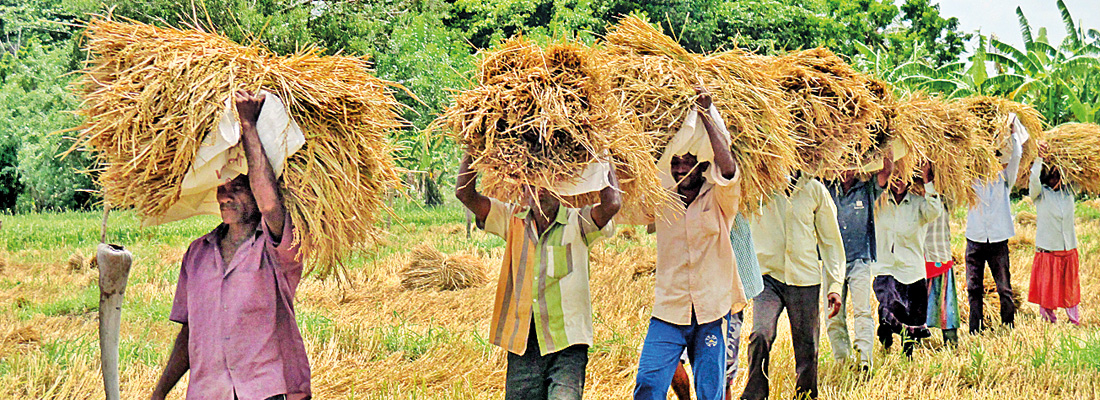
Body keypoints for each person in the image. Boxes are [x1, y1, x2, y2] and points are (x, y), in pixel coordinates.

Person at [152, 90, 311, 400]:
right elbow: (189, 333)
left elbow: (269, 205)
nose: (225, 196)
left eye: (237, 187)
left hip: (265, 393)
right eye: (221, 188)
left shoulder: (276, 248)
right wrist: (159, 393)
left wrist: (248, 124)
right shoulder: (197, 254)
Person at [456, 151, 622, 399]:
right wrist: (472, 148)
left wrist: (603, 154)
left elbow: (613, 204)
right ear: (522, 187)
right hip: (524, 343)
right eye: (532, 182)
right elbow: (464, 193)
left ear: (561, 188)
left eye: (548, 182)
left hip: (568, 343)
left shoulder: (578, 223)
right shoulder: (510, 219)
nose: (539, 189)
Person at [634, 88, 746, 400]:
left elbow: (729, 170)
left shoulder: (720, 197)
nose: (681, 168)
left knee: (711, 391)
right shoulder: (661, 200)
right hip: (669, 310)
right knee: (648, 382)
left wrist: (707, 114)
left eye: (688, 162)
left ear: (702, 165)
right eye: (676, 162)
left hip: (710, 311)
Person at [743, 171, 844, 400]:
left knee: (807, 347)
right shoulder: (761, 182)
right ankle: (754, 396)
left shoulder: (814, 190)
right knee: (760, 333)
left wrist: (835, 286)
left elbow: (831, 243)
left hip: (804, 279)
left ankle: (806, 396)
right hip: (768, 277)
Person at [671, 213, 764, 400]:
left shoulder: (734, 191)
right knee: (670, 362)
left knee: (721, 375)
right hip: (687, 288)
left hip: (728, 293)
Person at [822, 155, 892, 371]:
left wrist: (889, 141)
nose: (846, 170)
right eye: (842, 165)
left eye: (851, 166)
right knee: (833, 315)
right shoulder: (825, 189)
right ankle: (842, 361)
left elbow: (886, 172)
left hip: (860, 259)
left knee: (862, 311)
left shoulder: (866, 188)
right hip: (832, 262)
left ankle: (864, 361)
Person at [871, 164, 942, 357]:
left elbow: (935, 211)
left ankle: (907, 353)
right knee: (889, 303)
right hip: (885, 266)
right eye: (895, 176)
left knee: (912, 315)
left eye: (903, 176)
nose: (898, 181)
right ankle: (885, 334)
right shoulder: (878, 201)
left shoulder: (919, 204)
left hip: (912, 268)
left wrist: (928, 182)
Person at [966, 118, 1026, 334]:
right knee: (974, 288)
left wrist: (1012, 134)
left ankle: (1008, 325)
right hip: (975, 238)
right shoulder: (971, 180)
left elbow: (1017, 155)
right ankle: (975, 329)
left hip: (998, 239)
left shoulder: (1004, 179)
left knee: (1004, 287)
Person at [1027, 142, 1081, 325]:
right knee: (1048, 288)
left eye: (1058, 174)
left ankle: (1074, 319)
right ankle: (1048, 320)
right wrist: (1039, 158)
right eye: (1051, 175)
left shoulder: (1069, 193)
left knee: (1070, 287)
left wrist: (1066, 157)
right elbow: (1033, 179)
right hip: (1048, 249)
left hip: (1068, 247)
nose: (1054, 178)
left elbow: (1079, 173)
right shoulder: (1040, 195)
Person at [924, 199, 961, 347]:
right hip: (916, 258)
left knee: (946, 301)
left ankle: (951, 341)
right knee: (915, 303)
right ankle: (912, 341)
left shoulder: (945, 197)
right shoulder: (911, 197)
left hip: (939, 255)